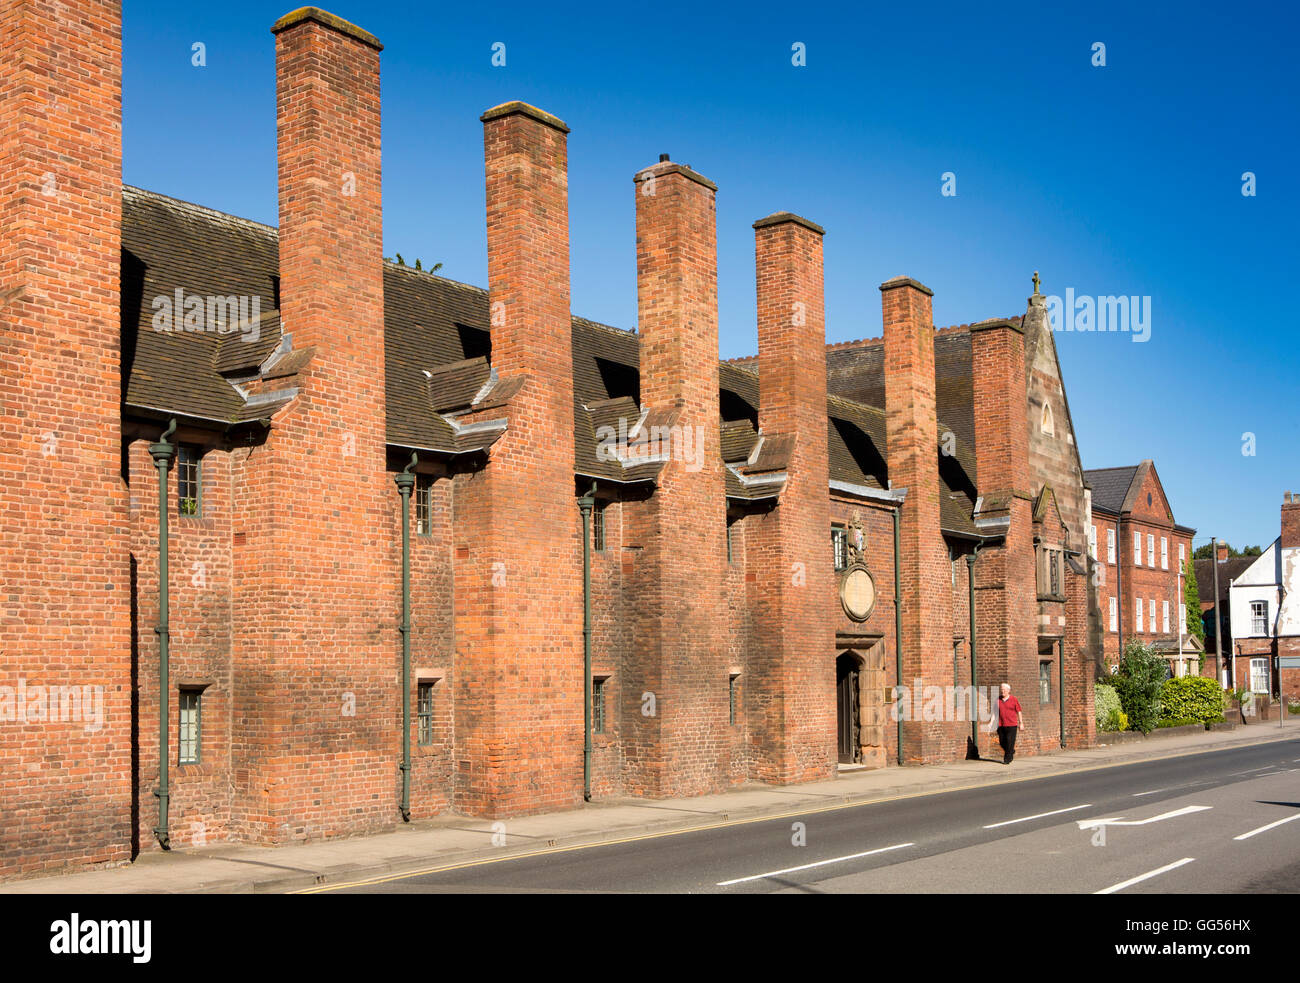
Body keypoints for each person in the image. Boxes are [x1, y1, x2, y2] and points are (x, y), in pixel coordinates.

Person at [991, 682, 1022, 764]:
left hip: (1012, 725)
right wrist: (991, 722)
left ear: (1008, 691)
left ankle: (1007, 759)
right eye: (1001, 690)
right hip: (1001, 724)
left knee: (1009, 741)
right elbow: (995, 712)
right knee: (1002, 742)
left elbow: (1019, 711)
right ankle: (1011, 751)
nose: (1002, 692)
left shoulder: (1014, 699)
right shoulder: (997, 700)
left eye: (1004, 690)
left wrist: (1021, 723)